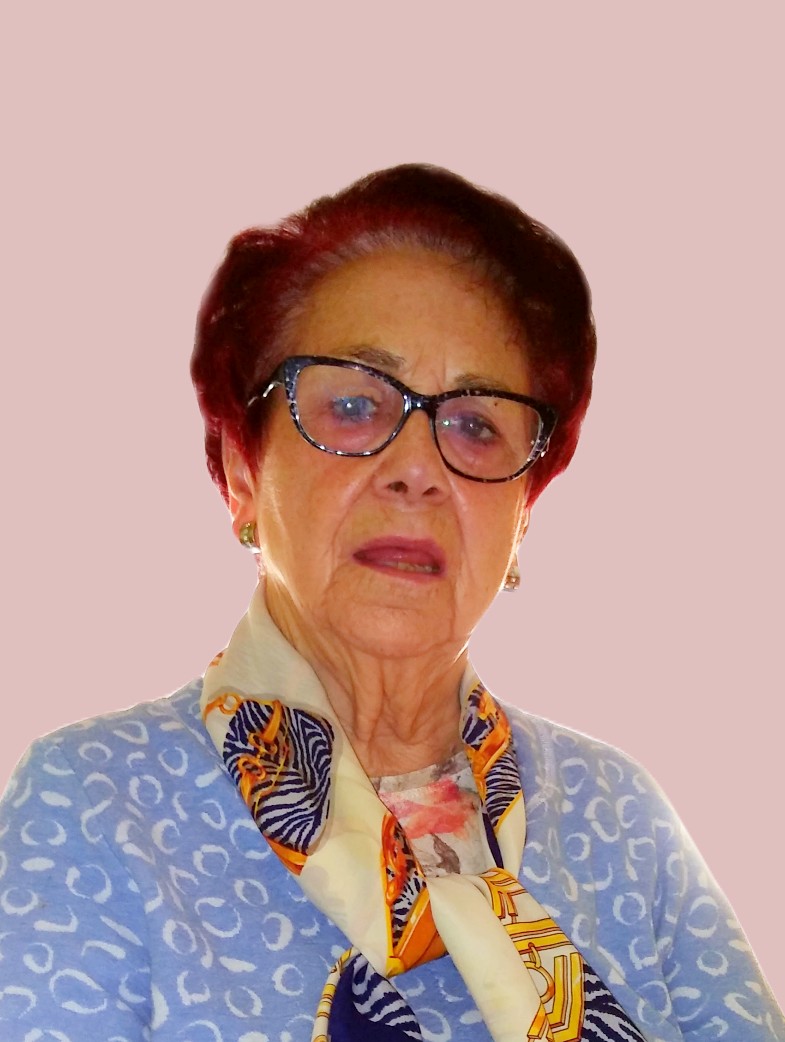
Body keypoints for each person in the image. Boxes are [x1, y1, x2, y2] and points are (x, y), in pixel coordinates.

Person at [0, 165, 781, 1042]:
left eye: (476, 424)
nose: (417, 468)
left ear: (523, 513)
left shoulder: (619, 817)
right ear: (242, 472)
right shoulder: (98, 803)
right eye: (353, 404)